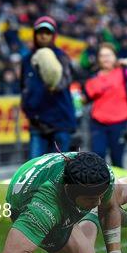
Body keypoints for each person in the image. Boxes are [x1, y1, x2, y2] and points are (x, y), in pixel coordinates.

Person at [20, 16, 77, 159]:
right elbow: (23, 86)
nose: (44, 35)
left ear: (53, 35)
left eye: (47, 32)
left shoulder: (62, 57)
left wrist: (49, 72)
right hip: (37, 122)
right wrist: (28, 108)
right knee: (35, 168)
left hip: (60, 121)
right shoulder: (27, 59)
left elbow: (64, 82)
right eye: (40, 32)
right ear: (35, 34)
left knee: (58, 168)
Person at [84, 43, 127, 167]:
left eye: (109, 55)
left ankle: (117, 186)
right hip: (98, 123)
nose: (106, 58)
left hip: (119, 122)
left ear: (115, 57)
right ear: (98, 59)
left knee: (117, 160)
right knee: (97, 157)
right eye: (102, 56)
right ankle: (102, 186)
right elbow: (85, 98)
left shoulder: (122, 73)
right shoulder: (92, 77)